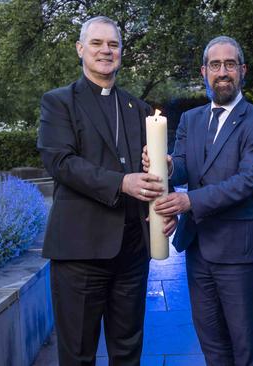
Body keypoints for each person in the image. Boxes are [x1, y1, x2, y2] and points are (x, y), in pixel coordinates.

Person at [38, 15, 176, 366]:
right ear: (80, 49)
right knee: (78, 354)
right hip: (80, 252)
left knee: (128, 351)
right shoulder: (58, 102)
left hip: (131, 250)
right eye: (97, 43)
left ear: (121, 52)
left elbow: (152, 171)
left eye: (113, 44)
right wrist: (122, 182)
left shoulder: (138, 108)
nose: (106, 50)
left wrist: (163, 166)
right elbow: (61, 162)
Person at [143, 36, 253, 366]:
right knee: (212, 343)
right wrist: (168, 164)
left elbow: (246, 182)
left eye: (229, 64)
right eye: (215, 65)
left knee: (244, 346)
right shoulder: (191, 119)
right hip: (199, 247)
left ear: (242, 71)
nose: (222, 72)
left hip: (239, 251)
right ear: (204, 71)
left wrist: (188, 202)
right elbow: (185, 164)